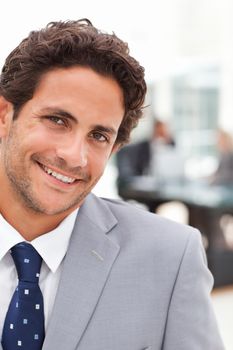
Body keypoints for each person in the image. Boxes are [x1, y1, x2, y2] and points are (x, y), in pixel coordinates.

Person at [0, 19, 224, 350]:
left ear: (115, 148)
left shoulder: (171, 258)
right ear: (5, 115)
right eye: (57, 120)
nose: (75, 156)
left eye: (99, 136)